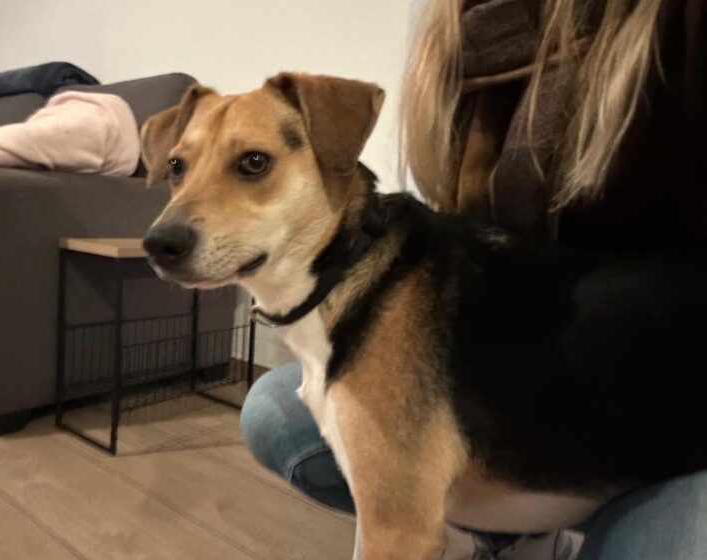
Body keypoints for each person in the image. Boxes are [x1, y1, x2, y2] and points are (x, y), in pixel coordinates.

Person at [240, 0, 707, 558]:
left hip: (670, 374)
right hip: (545, 367)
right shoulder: (465, 38)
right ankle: (516, 533)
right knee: (276, 413)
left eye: (252, 165)